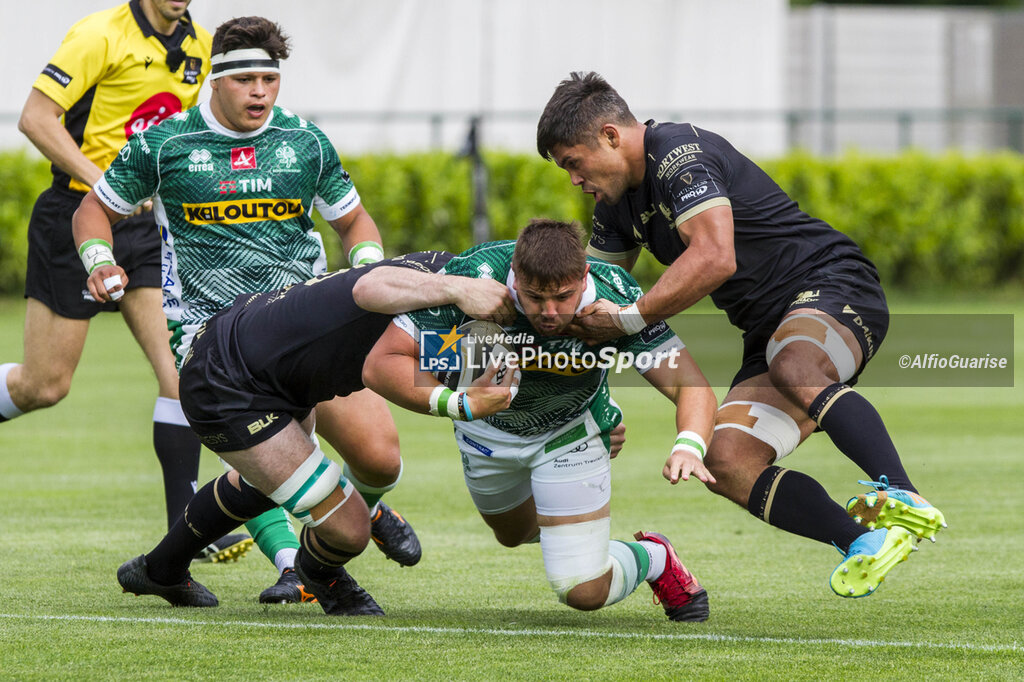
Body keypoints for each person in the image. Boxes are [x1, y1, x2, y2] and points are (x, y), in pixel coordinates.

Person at [536, 72, 947, 598]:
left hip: (830, 284)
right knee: (727, 461)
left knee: (794, 363)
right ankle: (864, 542)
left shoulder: (679, 154)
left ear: (611, 136)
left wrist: (630, 317)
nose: (573, 178)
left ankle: (905, 497)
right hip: (768, 332)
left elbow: (714, 256)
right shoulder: (614, 208)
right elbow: (585, 301)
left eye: (573, 162)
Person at [72, 16, 422, 604]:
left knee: (380, 459)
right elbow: (92, 210)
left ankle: (171, 566)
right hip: (220, 345)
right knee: (292, 474)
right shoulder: (165, 143)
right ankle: (315, 571)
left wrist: (363, 265)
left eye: (269, 78)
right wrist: (99, 260)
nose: (260, 91)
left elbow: (354, 220)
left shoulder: (304, 142)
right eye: (245, 80)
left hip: (309, 326)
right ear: (215, 79)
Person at [112, 252, 517, 614]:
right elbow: (371, 300)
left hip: (273, 366)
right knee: (350, 527)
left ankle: (159, 569)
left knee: (275, 483)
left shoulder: (472, 272)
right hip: (228, 381)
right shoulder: (453, 285)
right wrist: (465, 403)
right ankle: (319, 576)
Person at [363, 220, 718, 621]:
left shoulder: (614, 291)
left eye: (564, 297)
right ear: (514, 276)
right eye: (534, 298)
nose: (549, 313)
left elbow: (691, 386)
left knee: (581, 589)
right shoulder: (477, 278)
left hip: (570, 430)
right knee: (511, 535)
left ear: (584, 276)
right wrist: (461, 404)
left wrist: (689, 444)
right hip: (485, 429)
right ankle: (570, 527)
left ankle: (655, 557)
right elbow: (382, 364)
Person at [0, 0, 250, 561]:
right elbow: (36, 119)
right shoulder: (98, 36)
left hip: (145, 230)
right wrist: (108, 186)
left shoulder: (201, 47)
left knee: (184, 375)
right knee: (45, 385)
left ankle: (186, 532)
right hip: (76, 216)